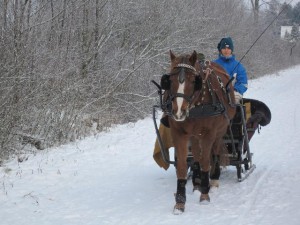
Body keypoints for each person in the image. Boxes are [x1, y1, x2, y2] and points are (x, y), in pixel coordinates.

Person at [214, 37, 248, 104]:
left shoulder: (239, 66)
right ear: (220, 50)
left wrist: (233, 90)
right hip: (216, 94)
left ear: (231, 50)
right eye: (224, 48)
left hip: (234, 93)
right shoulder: (213, 64)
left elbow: (243, 83)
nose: (226, 50)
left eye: (228, 48)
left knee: (234, 100)